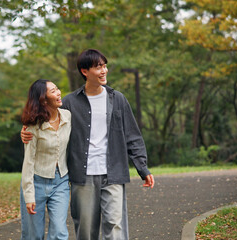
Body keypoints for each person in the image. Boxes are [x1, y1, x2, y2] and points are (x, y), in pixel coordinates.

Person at [21, 49, 155, 240]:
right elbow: (45, 123)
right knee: (85, 229)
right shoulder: (69, 103)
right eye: (98, 67)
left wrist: (143, 168)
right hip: (82, 176)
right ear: (85, 71)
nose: (104, 71)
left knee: (116, 226)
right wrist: (25, 131)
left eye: (104, 66)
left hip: (114, 172)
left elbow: (132, 136)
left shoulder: (118, 100)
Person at [19, 79, 71, 240]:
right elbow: (28, 162)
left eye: (58, 89)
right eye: (53, 91)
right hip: (36, 183)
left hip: (61, 181)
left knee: (60, 233)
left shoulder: (68, 117)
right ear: (43, 99)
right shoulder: (33, 126)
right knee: (33, 235)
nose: (59, 92)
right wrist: (29, 196)